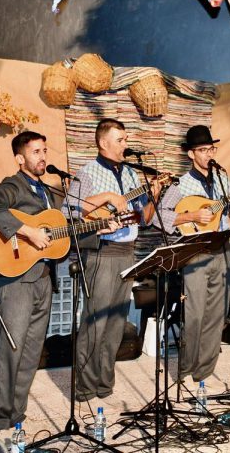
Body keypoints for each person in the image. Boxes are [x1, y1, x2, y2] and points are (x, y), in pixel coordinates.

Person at [62, 118, 160, 401]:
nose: (125, 145)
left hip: (128, 253)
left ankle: (104, 382)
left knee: (116, 322)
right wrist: (105, 196)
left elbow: (146, 218)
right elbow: (67, 209)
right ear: (103, 143)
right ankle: (84, 386)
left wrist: (153, 196)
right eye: (120, 140)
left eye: (126, 139)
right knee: (95, 322)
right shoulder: (87, 173)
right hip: (102, 253)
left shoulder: (131, 174)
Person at [155, 125, 230, 383]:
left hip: (222, 248)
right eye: (202, 150)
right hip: (195, 251)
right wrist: (192, 216)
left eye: (211, 148)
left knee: (218, 313)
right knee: (195, 313)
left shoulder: (223, 179)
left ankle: (204, 372)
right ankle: (186, 369)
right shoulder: (181, 184)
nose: (208, 153)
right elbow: (158, 216)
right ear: (191, 154)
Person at [0, 131, 58, 431]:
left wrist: (101, 228)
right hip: (15, 277)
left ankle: (17, 414)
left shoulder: (47, 191)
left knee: (30, 350)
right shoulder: (12, 185)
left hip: (42, 277)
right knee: (10, 349)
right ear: (20, 158)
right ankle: (0, 419)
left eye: (44, 150)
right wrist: (27, 232)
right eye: (36, 151)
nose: (42, 157)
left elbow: (56, 234)